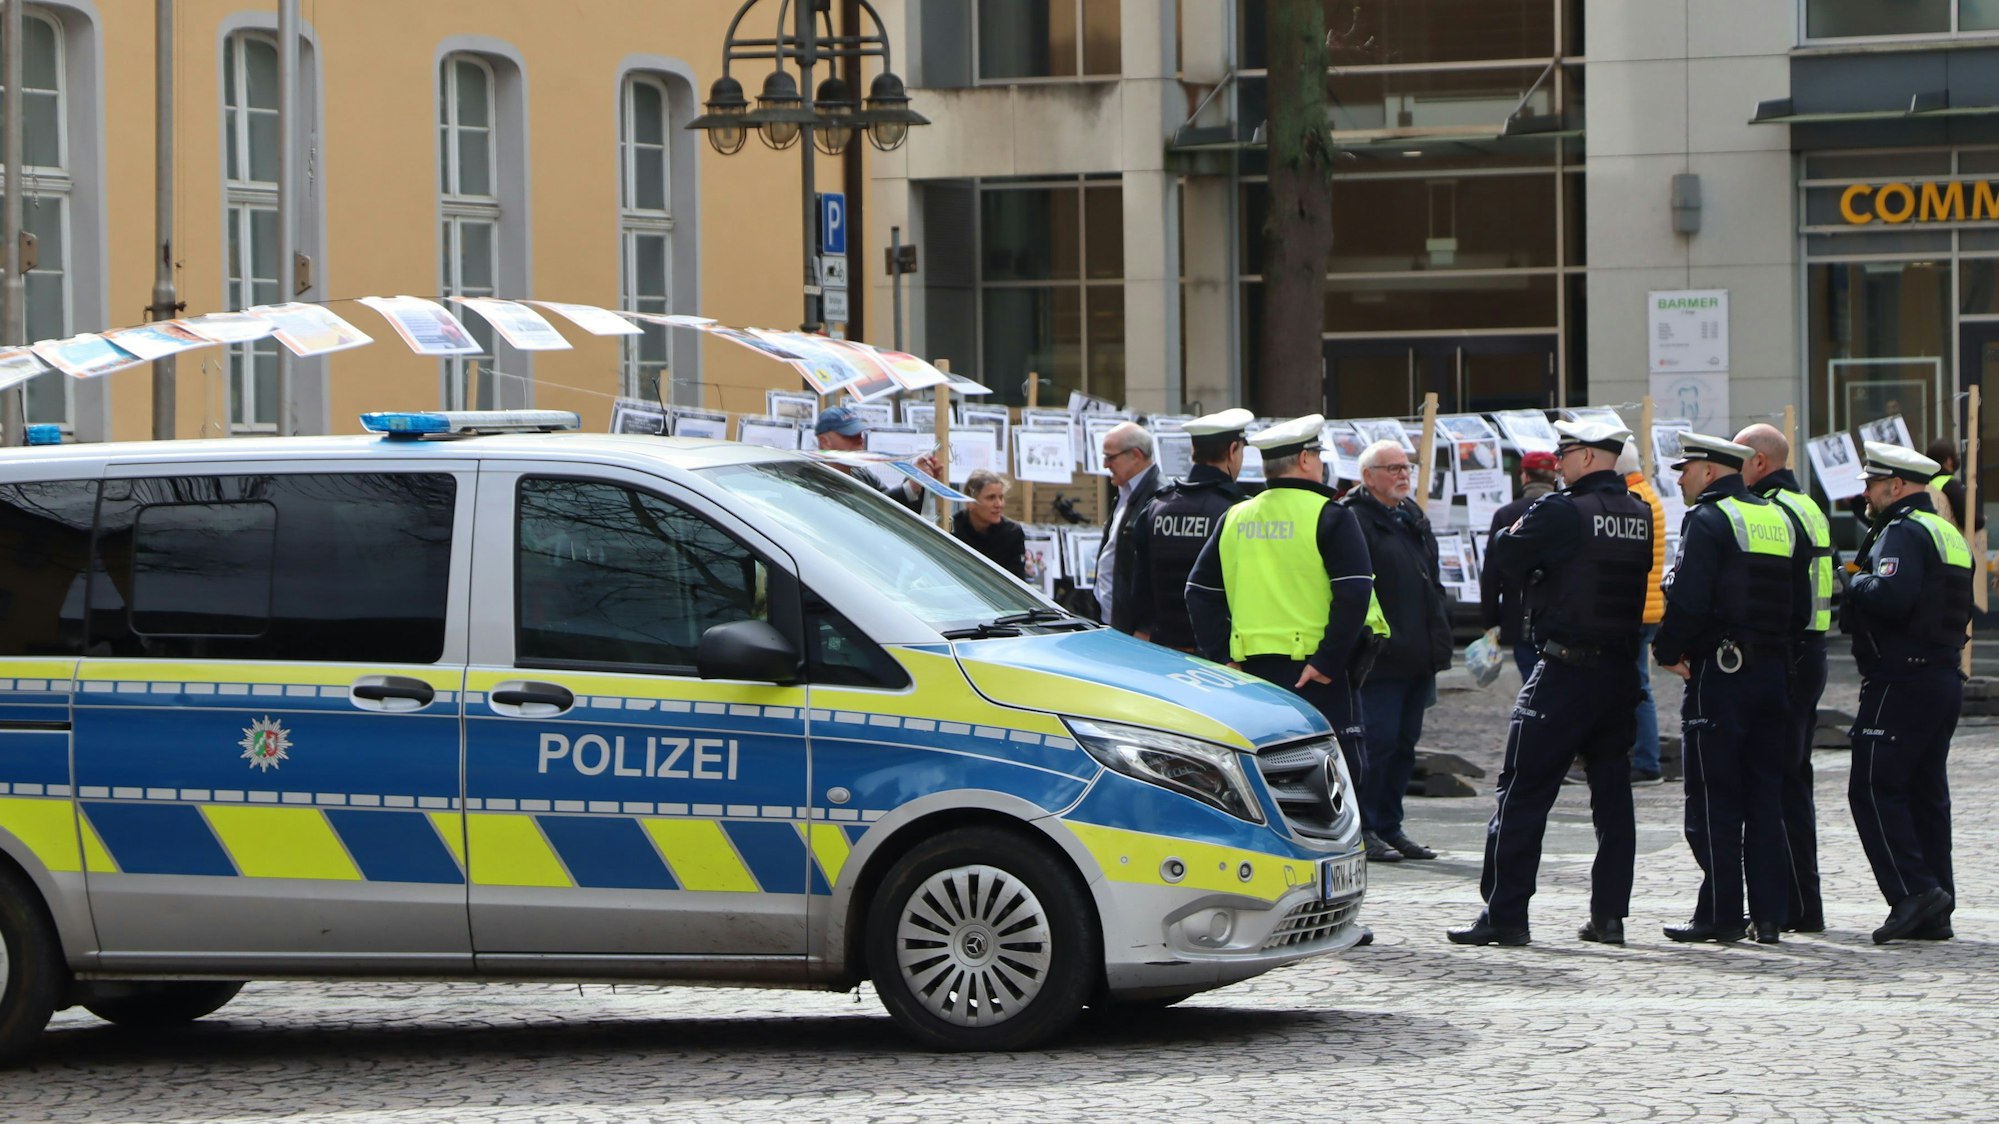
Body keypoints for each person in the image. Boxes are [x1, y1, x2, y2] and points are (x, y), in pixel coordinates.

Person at [1447, 421, 1654, 947]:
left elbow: (1506, 553)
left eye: (1565, 454)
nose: (1559, 464)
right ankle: (1610, 917)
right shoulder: (1637, 512)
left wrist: (1533, 565)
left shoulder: (1562, 510)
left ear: (1586, 457)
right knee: (1613, 796)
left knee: (1522, 790)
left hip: (1565, 672)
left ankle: (1506, 916)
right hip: (1619, 673)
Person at [1186, 414, 1387, 802]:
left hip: (1251, 674)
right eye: (1318, 454)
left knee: (1263, 778)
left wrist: (1222, 657)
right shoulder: (1330, 515)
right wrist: (1328, 662)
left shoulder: (1237, 515)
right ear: (1306, 460)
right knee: (1334, 780)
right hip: (1316, 676)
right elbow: (1354, 594)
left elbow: (1198, 591)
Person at [1652, 432, 1797, 945]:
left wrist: (1666, 652)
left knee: (1713, 799)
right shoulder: (1779, 518)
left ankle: (1721, 915)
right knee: (1764, 798)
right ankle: (1770, 916)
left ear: (1710, 471)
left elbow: (1689, 600)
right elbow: (1801, 603)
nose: (1681, 479)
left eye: (1685, 469)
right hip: (1773, 673)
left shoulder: (1708, 519)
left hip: (1723, 672)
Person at [1842, 441, 1972, 943]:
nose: (1867, 494)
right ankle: (1936, 905)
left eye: (1872, 485)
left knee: (1872, 788)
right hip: (1940, 678)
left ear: (1896, 486)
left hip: (1902, 679)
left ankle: (1915, 892)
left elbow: (1891, 597)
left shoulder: (1903, 530)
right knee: (1925, 794)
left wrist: (1852, 580)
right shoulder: (1946, 532)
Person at [1735, 423, 1833, 933]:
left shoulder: (1777, 510)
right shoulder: (1808, 504)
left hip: (1790, 653)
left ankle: (1787, 905)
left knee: (1774, 781)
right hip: (1810, 650)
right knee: (1794, 780)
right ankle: (1802, 903)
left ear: (1757, 461)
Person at [1346, 438, 1454, 863]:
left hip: (1418, 652)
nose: (1402, 474)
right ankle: (1365, 827)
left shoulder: (1410, 515)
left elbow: (1429, 579)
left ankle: (1390, 824)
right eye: (1392, 468)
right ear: (1368, 476)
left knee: (1405, 744)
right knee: (1377, 743)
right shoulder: (1354, 519)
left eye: (1406, 466)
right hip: (1380, 656)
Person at [1127, 408, 1252, 651]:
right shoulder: (1239, 511)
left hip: (1163, 650)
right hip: (1221, 656)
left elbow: (1138, 591)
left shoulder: (1155, 507)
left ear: (1194, 452)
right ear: (1232, 451)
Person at [1481, 450, 1561, 681]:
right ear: (1554, 478)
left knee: (1531, 682)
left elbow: (1491, 573)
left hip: (1519, 615)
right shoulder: (1570, 510)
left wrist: (1490, 621)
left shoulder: (1507, 514)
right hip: (1561, 615)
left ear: (1524, 476)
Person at [1619, 440, 1669, 786]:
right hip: (1648, 606)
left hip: (1636, 608)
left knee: (1638, 687)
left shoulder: (1633, 499)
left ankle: (1646, 760)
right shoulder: (1647, 493)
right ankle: (1643, 757)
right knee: (1638, 684)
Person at [814, 405, 941, 513]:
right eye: (850, 435)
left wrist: (916, 482)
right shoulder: (812, 481)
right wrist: (911, 486)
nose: (860, 440)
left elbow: (895, 512)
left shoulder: (862, 473)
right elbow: (872, 513)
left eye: (860, 433)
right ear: (825, 442)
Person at [1097, 421, 1162, 632]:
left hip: (1135, 632)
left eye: (1110, 457)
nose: (1105, 464)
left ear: (1135, 455)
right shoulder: (1124, 492)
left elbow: (1159, 573)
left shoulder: (1159, 497)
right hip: (1110, 625)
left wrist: (1146, 628)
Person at [951, 468, 1027, 580]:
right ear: (970, 502)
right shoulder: (953, 528)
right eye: (991, 497)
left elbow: (1017, 580)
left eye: (1001, 497)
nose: (999, 504)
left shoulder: (1012, 533)